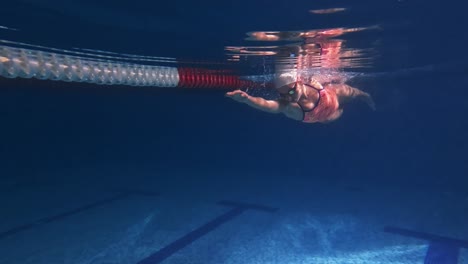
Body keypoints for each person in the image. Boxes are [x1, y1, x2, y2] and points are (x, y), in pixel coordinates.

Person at [225, 72, 375, 123]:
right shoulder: (292, 107)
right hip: (323, 117)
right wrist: (247, 99)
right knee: (334, 116)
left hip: (330, 96)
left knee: (350, 91)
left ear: (299, 83)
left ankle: (365, 96)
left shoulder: (310, 81)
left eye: (289, 93)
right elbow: (269, 105)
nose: (287, 97)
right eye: (282, 94)